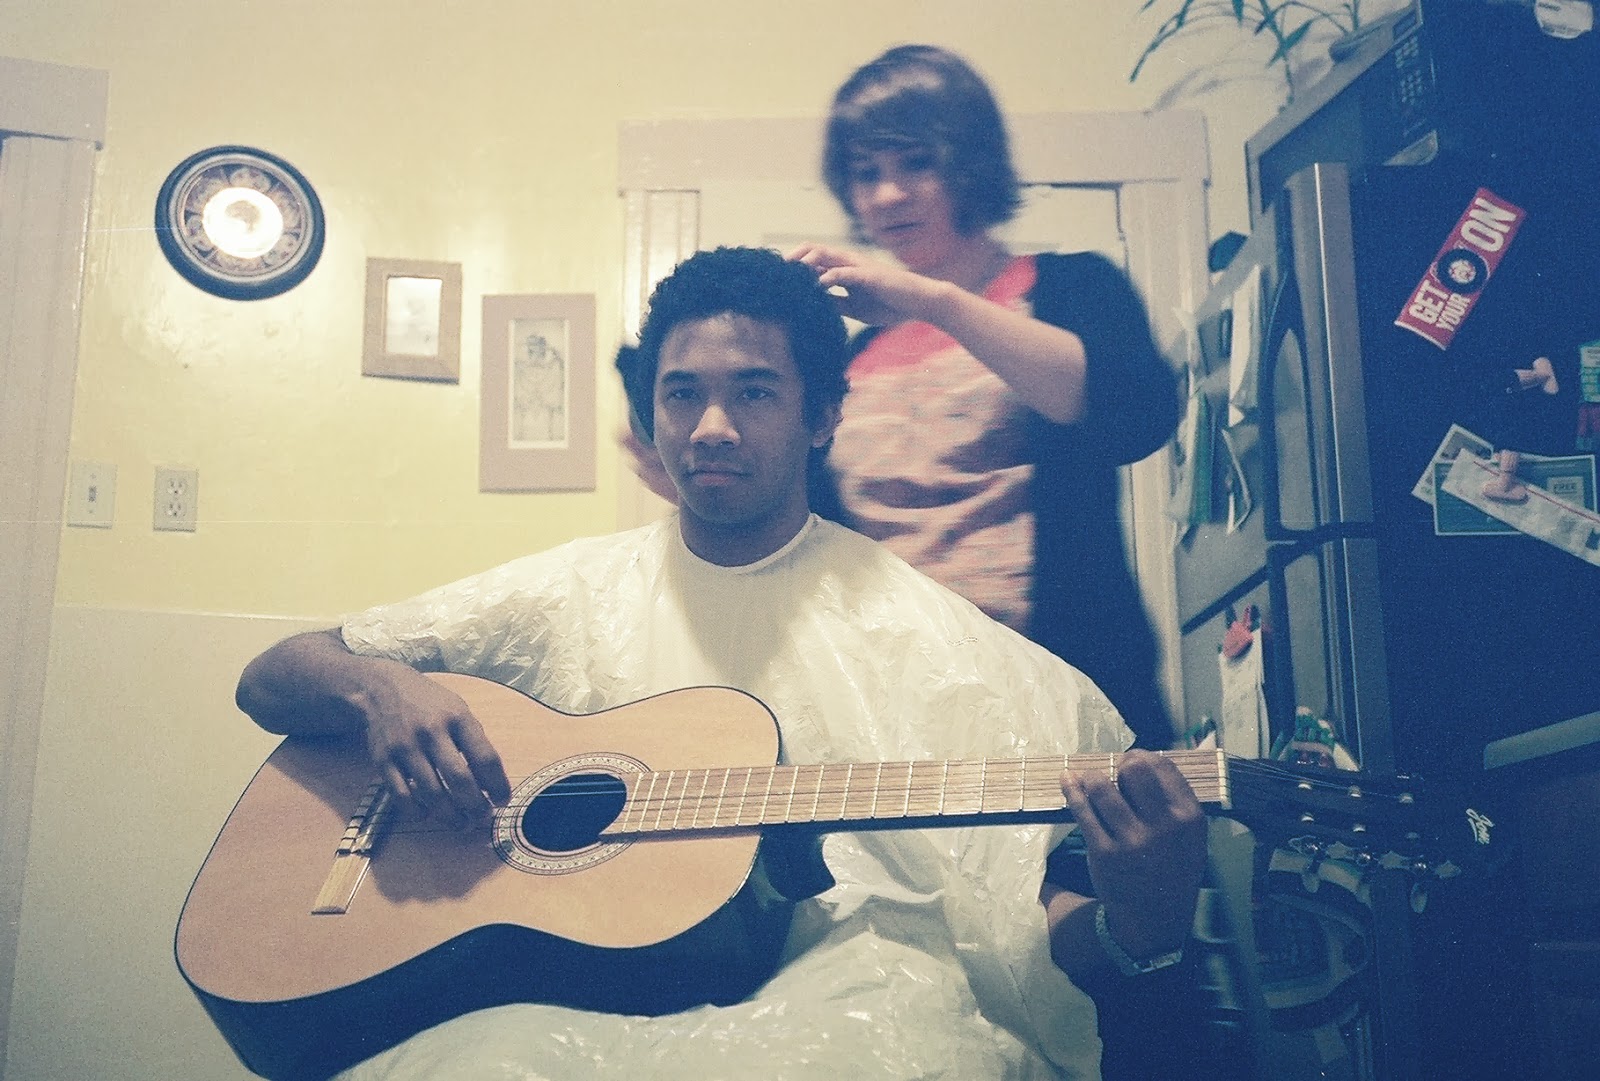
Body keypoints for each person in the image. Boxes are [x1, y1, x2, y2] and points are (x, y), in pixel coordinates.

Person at [237, 247, 1208, 1081]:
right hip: (568, 1003)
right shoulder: (571, 589)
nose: (710, 425)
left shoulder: (938, 645)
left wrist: (1141, 920)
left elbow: (1023, 935)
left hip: (852, 1006)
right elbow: (275, 673)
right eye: (682, 393)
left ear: (821, 416)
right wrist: (382, 689)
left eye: (753, 391)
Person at [790, 44, 1183, 751]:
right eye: (865, 173)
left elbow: (1134, 412)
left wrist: (933, 300)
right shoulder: (851, 361)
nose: (887, 194)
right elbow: (816, 544)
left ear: (969, 163)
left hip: (1066, 712)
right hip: (900, 726)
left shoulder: (1071, 288)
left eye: (916, 163)